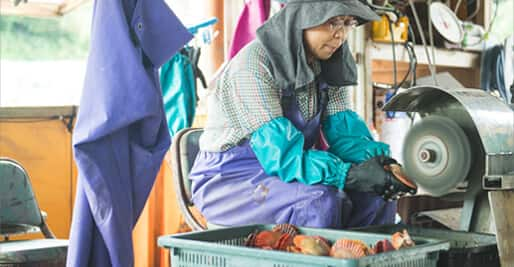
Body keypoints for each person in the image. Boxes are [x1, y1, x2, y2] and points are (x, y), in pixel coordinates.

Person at [190, 0, 406, 229]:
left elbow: (345, 135)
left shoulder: (328, 62)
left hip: (287, 169)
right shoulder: (253, 66)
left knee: (377, 196)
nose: (340, 35)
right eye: (332, 22)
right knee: (319, 200)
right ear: (300, 17)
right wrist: (349, 174)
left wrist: (381, 165)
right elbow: (281, 155)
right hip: (230, 181)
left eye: (347, 23)